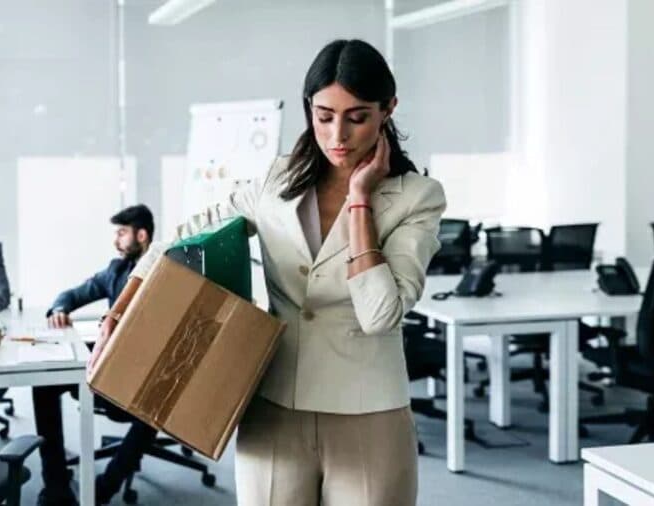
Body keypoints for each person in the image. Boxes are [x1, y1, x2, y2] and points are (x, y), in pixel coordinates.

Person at [91, 39, 446, 506]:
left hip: (368, 412)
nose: (337, 134)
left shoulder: (417, 197)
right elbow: (180, 238)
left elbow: (380, 313)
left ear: (388, 110)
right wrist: (121, 310)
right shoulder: (278, 181)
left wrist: (360, 200)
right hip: (274, 408)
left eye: (356, 117)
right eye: (323, 116)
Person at [35, 205, 158, 506]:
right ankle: (56, 485)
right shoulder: (115, 271)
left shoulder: (164, 273)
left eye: (121, 233)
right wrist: (60, 309)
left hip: (144, 377)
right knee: (43, 386)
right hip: (109, 370)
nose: (116, 240)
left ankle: (102, 490)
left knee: (155, 414)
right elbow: (73, 294)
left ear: (141, 236)